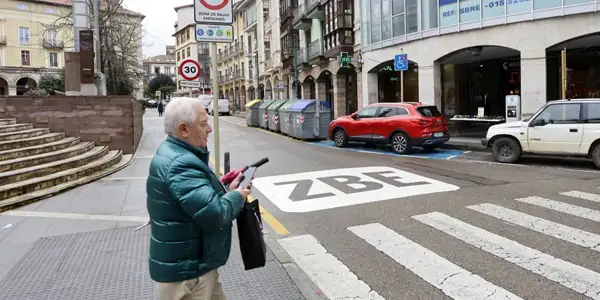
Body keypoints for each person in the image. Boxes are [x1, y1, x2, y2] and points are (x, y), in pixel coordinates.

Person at [146, 97, 252, 300]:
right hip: (188, 276)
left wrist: (225, 187)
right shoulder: (181, 163)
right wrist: (237, 197)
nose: (210, 129)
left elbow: (195, 200)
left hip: (196, 267)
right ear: (183, 129)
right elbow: (215, 213)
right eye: (204, 124)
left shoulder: (175, 152)